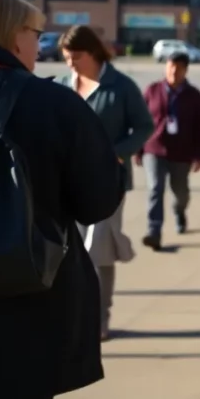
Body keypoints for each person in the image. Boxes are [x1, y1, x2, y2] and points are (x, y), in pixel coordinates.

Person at [0, 0, 121, 399]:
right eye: (36, 33)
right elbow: (99, 202)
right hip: (31, 302)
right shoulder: (56, 104)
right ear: (11, 36)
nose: (40, 45)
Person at [57, 25, 153, 341]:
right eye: (66, 58)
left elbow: (144, 127)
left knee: (99, 252)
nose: (71, 64)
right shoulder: (60, 87)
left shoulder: (121, 87)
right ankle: (72, 316)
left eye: (76, 57)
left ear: (94, 52)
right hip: (64, 184)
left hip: (106, 185)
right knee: (67, 253)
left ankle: (100, 318)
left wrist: (117, 153)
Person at [136, 51, 200, 250]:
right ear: (165, 67)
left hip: (182, 152)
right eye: (170, 66)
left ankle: (180, 212)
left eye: (178, 67)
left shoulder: (193, 95)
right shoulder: (152, 90)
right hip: (154, 148)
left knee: (180, 193)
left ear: (185, 70)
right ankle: (154, 231)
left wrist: (198, 154)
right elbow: (140, 121)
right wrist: (138, 149)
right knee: (155, 188)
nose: (174, 71)